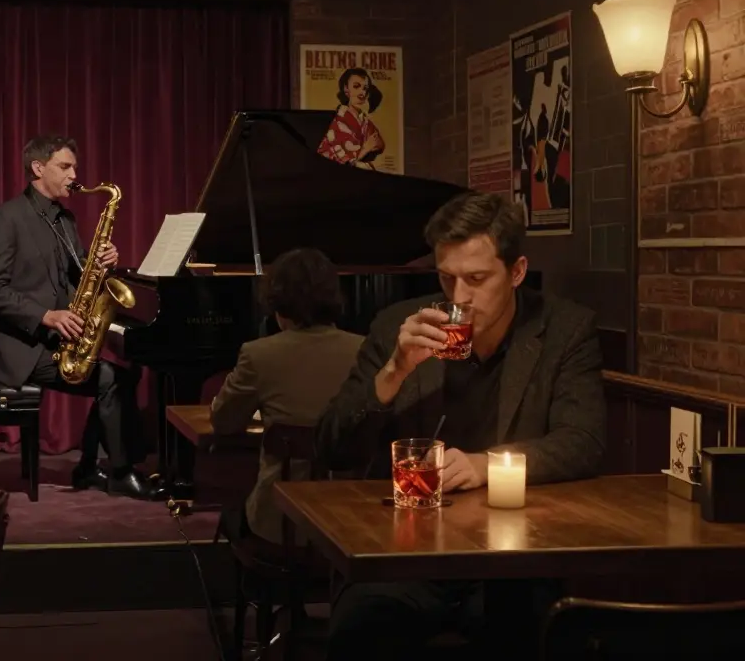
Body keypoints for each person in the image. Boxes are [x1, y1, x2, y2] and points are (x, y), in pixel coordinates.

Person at [317, 191, 606, 659]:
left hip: (514, 558)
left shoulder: (564, 329)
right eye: (446, 278)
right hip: (407, 556)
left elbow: (583, 441)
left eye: (476, 279)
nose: (459, 297)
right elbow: (332, 447)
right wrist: (393, 372)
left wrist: (483, 465)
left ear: (516, 272)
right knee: (360, 629)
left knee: (542, 632)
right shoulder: (400, 324)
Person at [0, 134, 153, 499]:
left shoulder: (65, 219)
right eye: (65, 166)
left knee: (122, 374)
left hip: (60, 339)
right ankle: (117, 470)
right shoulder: (5, 218)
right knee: (111, 378)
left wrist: (101, 263)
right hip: (25, 349)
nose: (75, 173)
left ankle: (90, 465)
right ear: (38, 168)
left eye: (74, 166)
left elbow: (78, 276)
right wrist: (47, 316)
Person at [210, 248, 362, 546]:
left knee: (231, 512)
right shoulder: (367, 350)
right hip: (352, 520)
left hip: (281, 525)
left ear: (277, 302)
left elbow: (224, 421)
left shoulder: (259, 354)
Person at [316, 67, 385, 170]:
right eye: (356, 86)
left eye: (365, 88)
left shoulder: (364, 121)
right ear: (346, 89)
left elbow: (379, 144)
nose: (362, 92)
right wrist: (365, 149)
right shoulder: (337, 120)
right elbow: (342, 163)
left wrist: (366, 148)